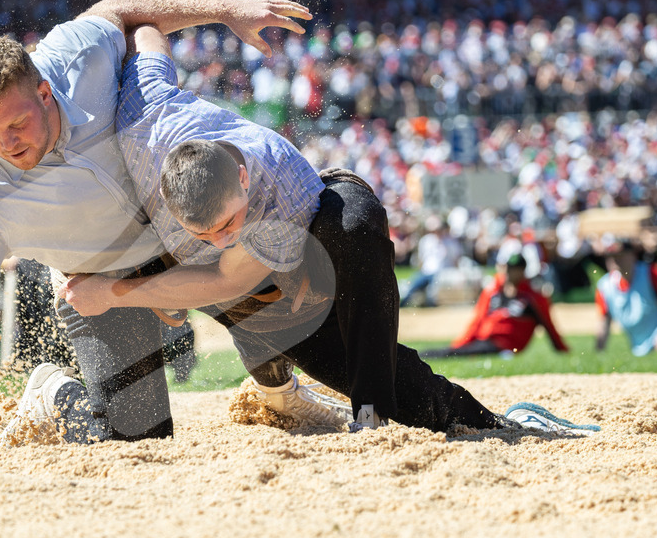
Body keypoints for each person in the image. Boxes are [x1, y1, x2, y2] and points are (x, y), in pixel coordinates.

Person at [0, 0, 315, 465]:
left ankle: (281, 393)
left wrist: (227, 11)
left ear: (44, 91)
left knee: (277, 281)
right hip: (97, 284)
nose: (7, 143)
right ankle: (54, 394)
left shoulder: (76, 55)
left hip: (184, 238)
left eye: (18, 124)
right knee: (140, 441)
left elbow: (127, 9)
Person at [55, 24, 521, 435]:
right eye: (203, 234)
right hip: (239, 287)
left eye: (228, 224)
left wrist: (119, 291)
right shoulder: (145, 118)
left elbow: (228, 278)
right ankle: (270, 381)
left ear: (242, 179)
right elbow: (144, 29)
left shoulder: (279, 175)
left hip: (308, 244)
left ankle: (378, 417)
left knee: (353, 227)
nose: (222, 240)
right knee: (370, 375)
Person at [422, 253, 570, 358]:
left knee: (453, 354)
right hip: (485, 339)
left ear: (522, 271)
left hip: (505, 344)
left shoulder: (533, 297)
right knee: (454, 352)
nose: (508, 273)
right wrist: (460, 344)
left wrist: (561, 349)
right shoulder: (493, 290)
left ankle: (425, 356)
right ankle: (423, 355)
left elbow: (548, 325)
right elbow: (477, 321)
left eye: (513, 269)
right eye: (507, 268)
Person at [595, 239, 657, 356]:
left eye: (620, 255)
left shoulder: (652, 273)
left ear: (632, 255)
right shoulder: (604, 286)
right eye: (611, 256)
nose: (615, 260)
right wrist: (599, 350)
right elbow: (604, 321)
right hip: (637, 344)